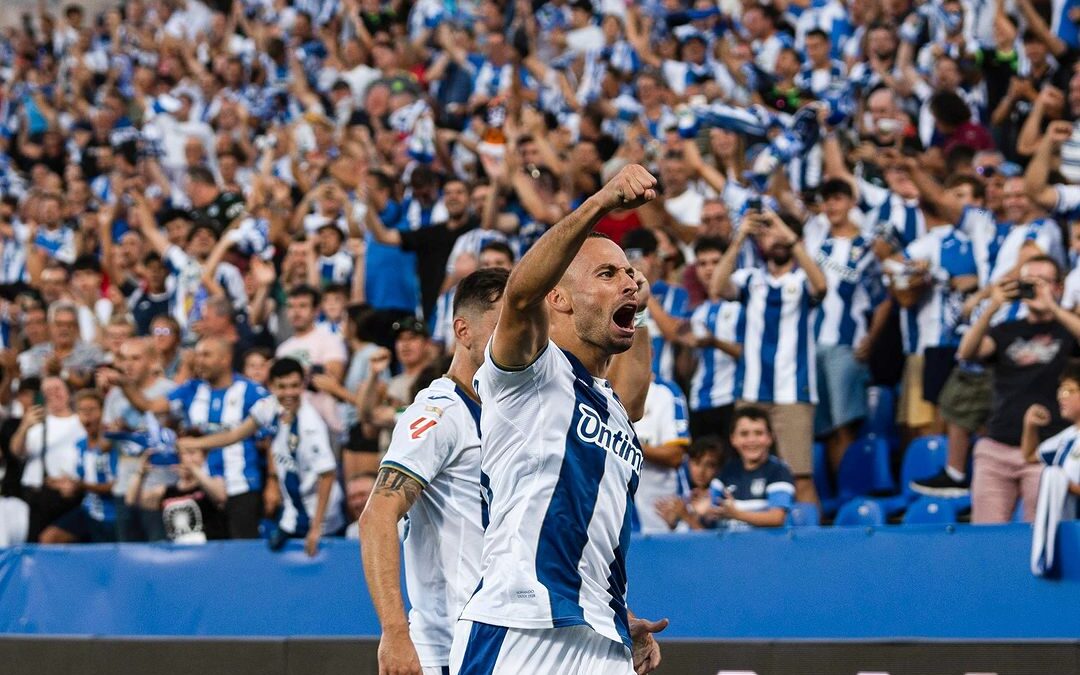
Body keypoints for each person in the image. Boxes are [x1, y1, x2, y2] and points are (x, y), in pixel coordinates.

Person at [449, 164, 666, 675]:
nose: (627, 282)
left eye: (629, 273)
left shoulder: (608, 402)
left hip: (603, 636)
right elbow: (522, 293)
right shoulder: (527, 367)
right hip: (519, 628)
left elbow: (633, 400)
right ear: (560, 298)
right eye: (607, 274)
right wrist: (600, 203)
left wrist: (635, 305)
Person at [360, 268, 509, 675]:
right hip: (449, 652)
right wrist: (394, 632)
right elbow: (376, 516)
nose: (520, 337)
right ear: (463, 331)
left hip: (509, 645)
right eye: (504, 326)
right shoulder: (437, 412)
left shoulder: (511, 416)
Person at [710, 209, 828, 504]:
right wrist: (739, 240)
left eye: (781, 232)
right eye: (768, 232)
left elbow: (821, 287)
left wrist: (791, 240)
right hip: (750, 389)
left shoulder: (803, 279)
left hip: (793, 391)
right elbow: (716, 287)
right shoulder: (750, 278)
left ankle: (811, 541)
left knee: (799, 474)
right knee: (745, 471)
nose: (774, 238)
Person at [178, 357, 344, 556]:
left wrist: (316, 528)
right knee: (273, 549)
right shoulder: (270, 406)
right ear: (272, 386)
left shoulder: (310, 426)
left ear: (303, 385)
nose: (289, 393)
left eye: (294, 386)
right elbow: (235, 435)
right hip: (292, 511)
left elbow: (327, 475)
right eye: (282, 387)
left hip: (320, 513)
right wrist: (197, 443)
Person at [957, 256, 1080, 522]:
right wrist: (992, 306)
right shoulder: (1005, 330)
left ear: (1058, 288)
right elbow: (966, 353)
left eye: (1043, 281)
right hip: (997, 447)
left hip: (1045, 452)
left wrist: (1054, 308)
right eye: (1028, 281)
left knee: (1040, 538)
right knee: (986, 538)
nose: (1034, 287)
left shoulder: (1067, 329)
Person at [118, 337, 271, 538]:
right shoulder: (192, 389)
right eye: (197, 355)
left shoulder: (251, 392)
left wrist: (273, 484)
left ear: (225, 359)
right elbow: (150, 407)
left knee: (240, 553)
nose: (199, 361)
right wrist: (124, 384)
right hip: (201, 488)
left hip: (241, 486)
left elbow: (269, 443)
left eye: (206, 355)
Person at [101, 337, 176, 541]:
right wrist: (112, 431)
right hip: (124, 486)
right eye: (124, 358)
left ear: (152, 361)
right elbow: (104, 445)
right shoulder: (114, 395)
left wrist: (131, 430)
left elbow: (171, 435)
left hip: (160, 486)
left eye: (136, 358)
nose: (128, 364)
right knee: (127, 552)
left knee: (161, 549)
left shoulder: (168, 391)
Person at [11, 376, 88, 541]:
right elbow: (17, 451)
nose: (53, 394)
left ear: (69, 392)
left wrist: (76, 484)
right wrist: (24, 426)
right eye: (47, 391)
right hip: (37, 497)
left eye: (57, 389)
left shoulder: (82, 422)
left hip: (71, 496)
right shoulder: (36, 422)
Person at [39, 390, 117, 543]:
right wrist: (63, 485)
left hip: (113, 515)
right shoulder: (80, 446)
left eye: (92, 410)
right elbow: (77, 484)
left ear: (103, 412)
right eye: (82, 410)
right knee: (49, 538)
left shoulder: (113, 445)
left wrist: (81, 486)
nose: (87, 415)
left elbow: (116, 487)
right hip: (88, 511)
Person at [126, 443, 228, 543]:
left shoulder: (210, 486)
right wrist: (140, 473)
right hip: (179, 553)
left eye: (191, 453)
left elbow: (220, 497)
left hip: (210, 550)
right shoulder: (167, 491)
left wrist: (193, 469)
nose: (184, 459)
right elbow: (131, 500)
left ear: (204, 456)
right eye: (181, 454)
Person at [714, 406, 796, 530]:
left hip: (770, 547)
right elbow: (711, 510)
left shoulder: (778, 471)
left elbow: (777, 518)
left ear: (770, 438)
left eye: (759, 433)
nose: (752, 440)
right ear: (733, 439)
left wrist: (736, 514)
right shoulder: (727, 471)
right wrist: (701, 510)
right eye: (744, 434)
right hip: (730, 547)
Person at [343, 471, 376, 539]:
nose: (357, 502)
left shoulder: (400, 526)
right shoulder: (352, 531)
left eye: (362, 494)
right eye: (352, 498)